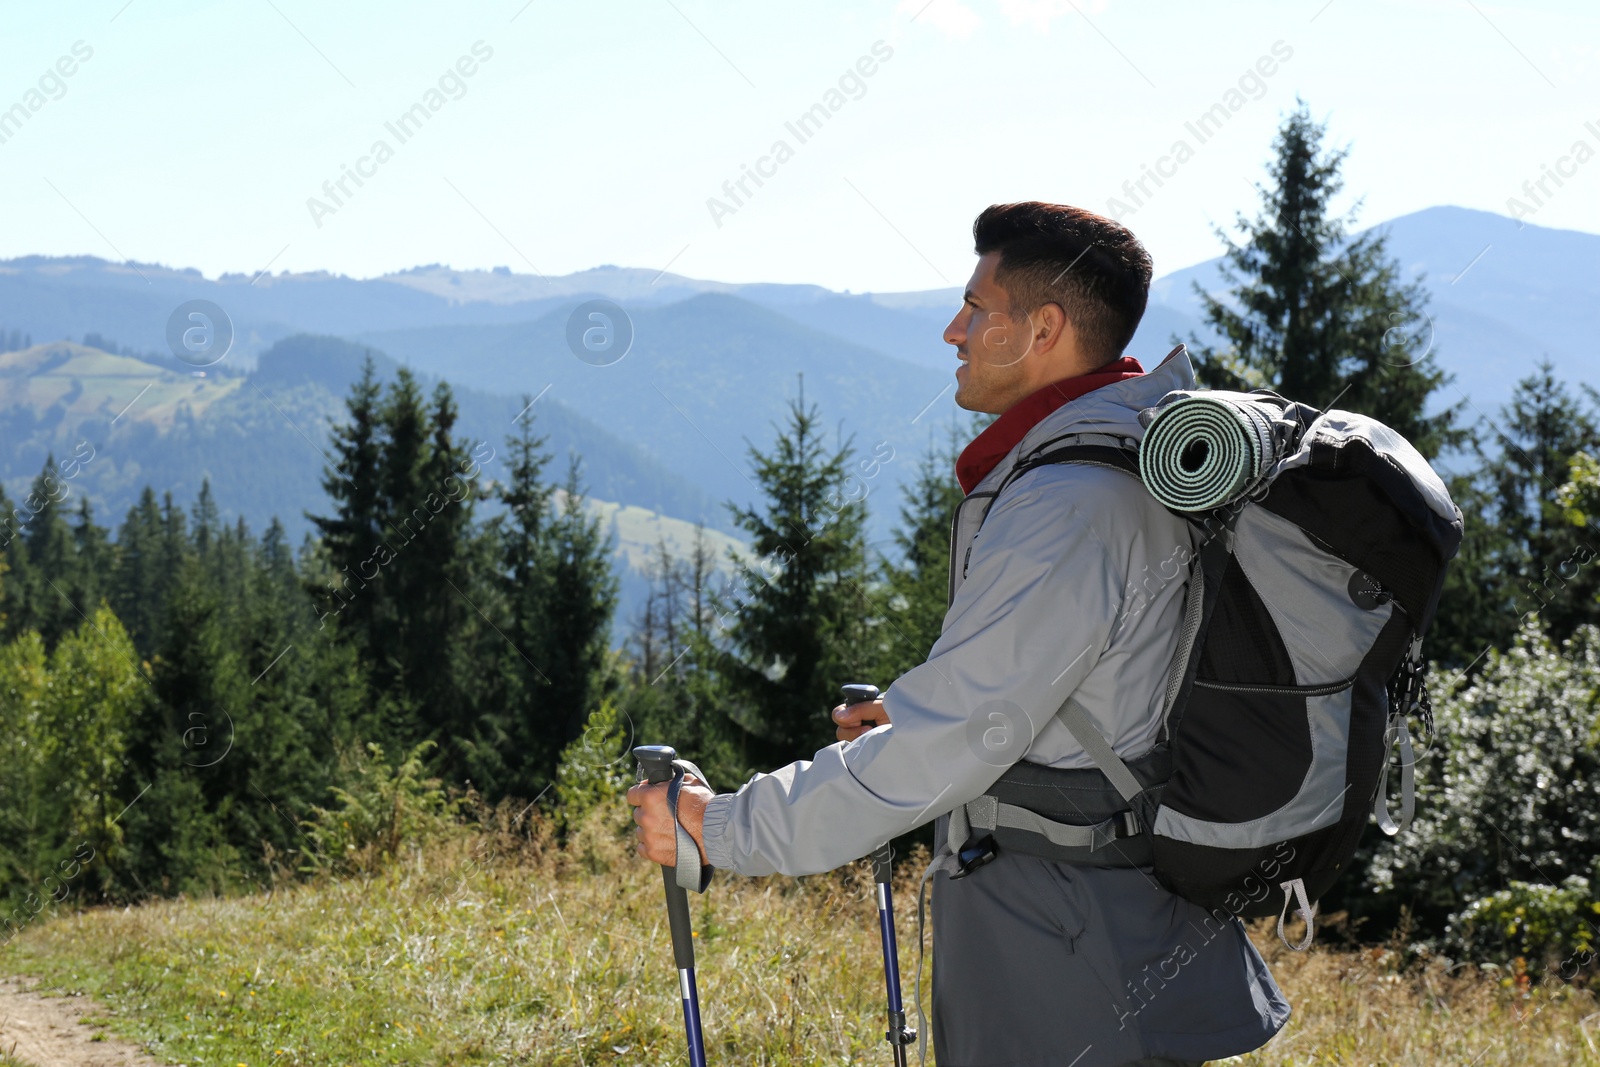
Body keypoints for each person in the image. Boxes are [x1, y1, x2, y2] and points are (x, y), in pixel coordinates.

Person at [628, 202, 1290, 1067]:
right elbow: (1063, 679)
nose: (953, 329)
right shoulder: (1126, 455)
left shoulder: (1070, 505)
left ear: (1045, 328)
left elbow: (948, 747)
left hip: (1062, 939)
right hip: (1109, 916)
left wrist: (719, 824)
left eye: (978, 308)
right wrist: (912, 708)